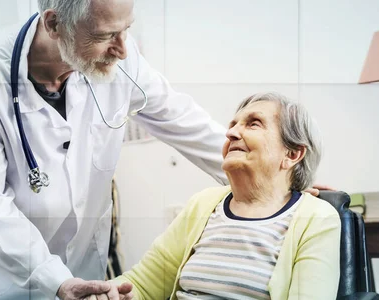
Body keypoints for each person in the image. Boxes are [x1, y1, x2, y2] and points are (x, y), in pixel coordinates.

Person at [0, 0, 328, 299]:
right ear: (55, 23)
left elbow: (181, 118)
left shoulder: (121, 60)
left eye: (127, 28)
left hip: (81, 270)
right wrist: (55, 280)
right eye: (106, 35)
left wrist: (278, 182)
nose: (123, 49)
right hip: (1, 277)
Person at [108, 93, 342, 300]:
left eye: (253, 124)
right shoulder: (203, 204)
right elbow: (141, 285)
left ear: (292, 154)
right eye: (232, 124)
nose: (231, 132)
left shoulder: (316, 217)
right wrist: (102, 293)